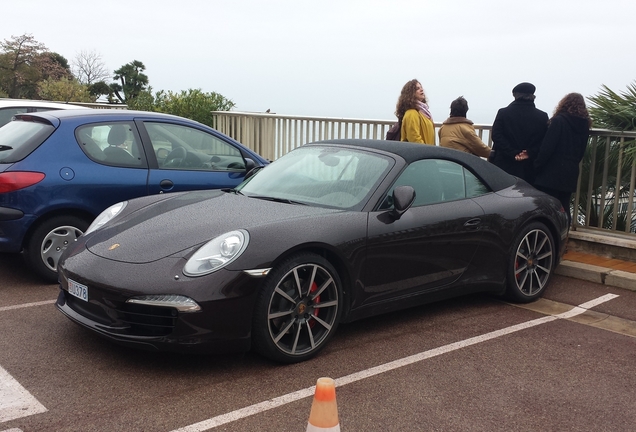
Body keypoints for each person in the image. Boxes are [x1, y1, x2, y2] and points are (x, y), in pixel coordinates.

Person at [533, 93, 591, 226]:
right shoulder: (584, 125)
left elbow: (547, 147)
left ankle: (549, 237)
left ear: (564, 104)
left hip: (551, 171)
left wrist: (537, 165)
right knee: (564, 206)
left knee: (546, 206)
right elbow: (581, 151)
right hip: (570, 170)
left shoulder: (559, 121)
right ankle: (564, 235)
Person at [491, 82, 549, 183]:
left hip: (504, 163)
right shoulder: (542, 116)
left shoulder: (503, 113)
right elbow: (545, 141)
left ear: (515, 95)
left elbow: (496, 135)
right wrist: (529, 153)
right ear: (533, 96)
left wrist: (512, 152)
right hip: (530, 166)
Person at [395, 79, 435, 144]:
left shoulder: (424, 112)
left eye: (421, 87)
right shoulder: (411, 113)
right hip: (422, 152)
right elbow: (414, 138)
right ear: (410, 93)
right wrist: (426, 151)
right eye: (417, 88)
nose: (421, 90)